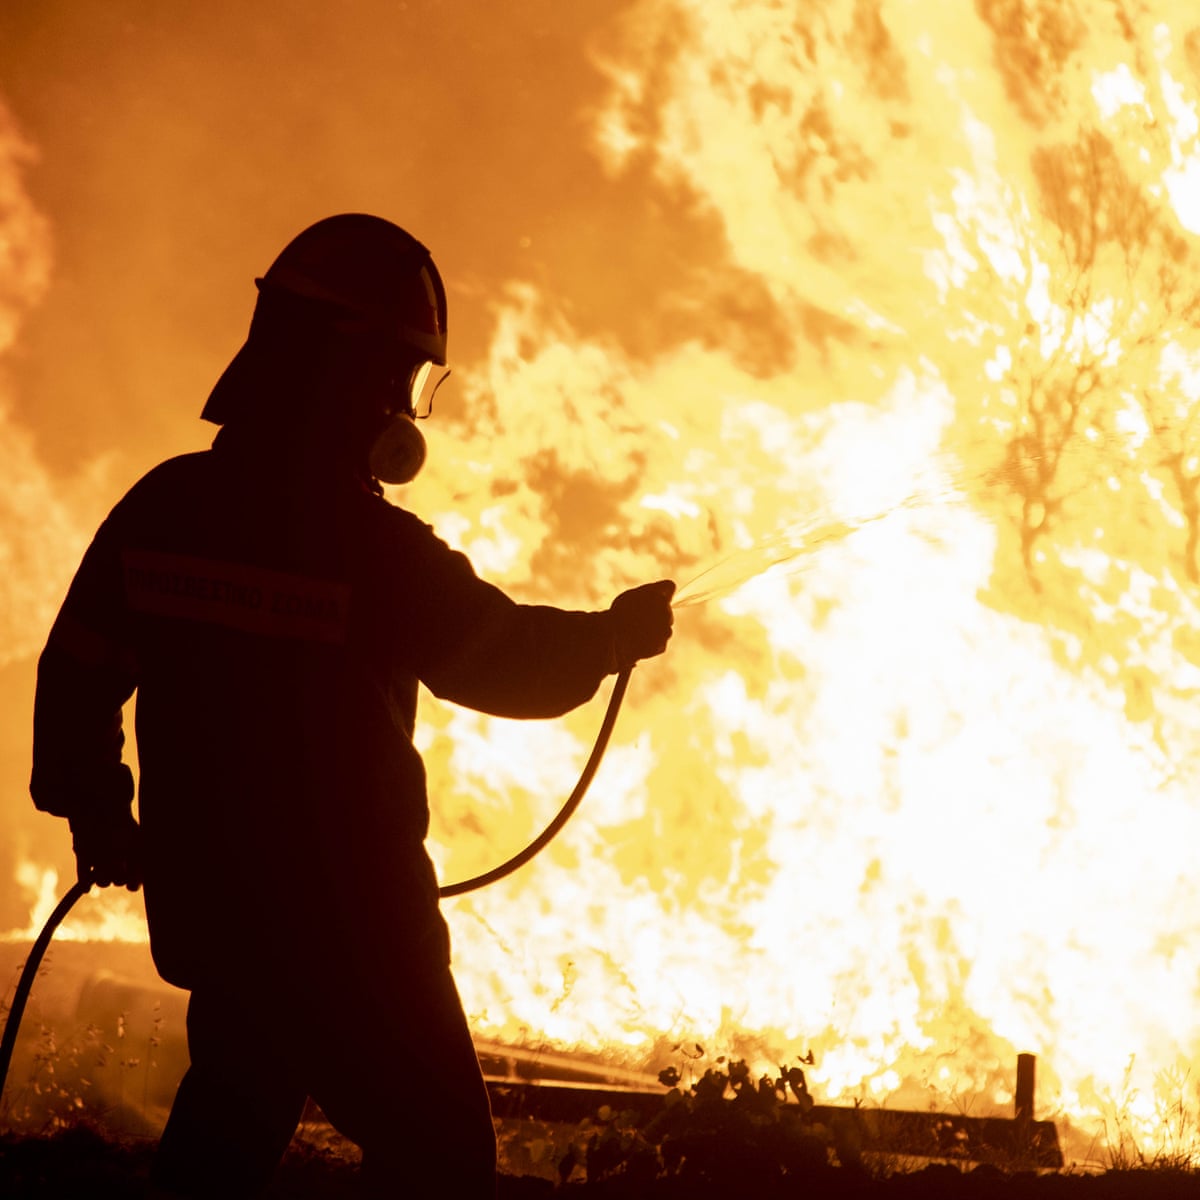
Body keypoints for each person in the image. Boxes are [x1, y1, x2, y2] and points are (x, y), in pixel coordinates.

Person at [30, 213, 674, 1198]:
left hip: (224, 910)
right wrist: (611, 637)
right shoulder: (369, 551)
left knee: (225, 1140)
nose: (405, 412)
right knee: (441, 1157)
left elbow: (74, 679)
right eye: (404, 379)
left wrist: (101, 815)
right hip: (357, 933)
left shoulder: (166, 511)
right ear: (346, 375)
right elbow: (503, 662)